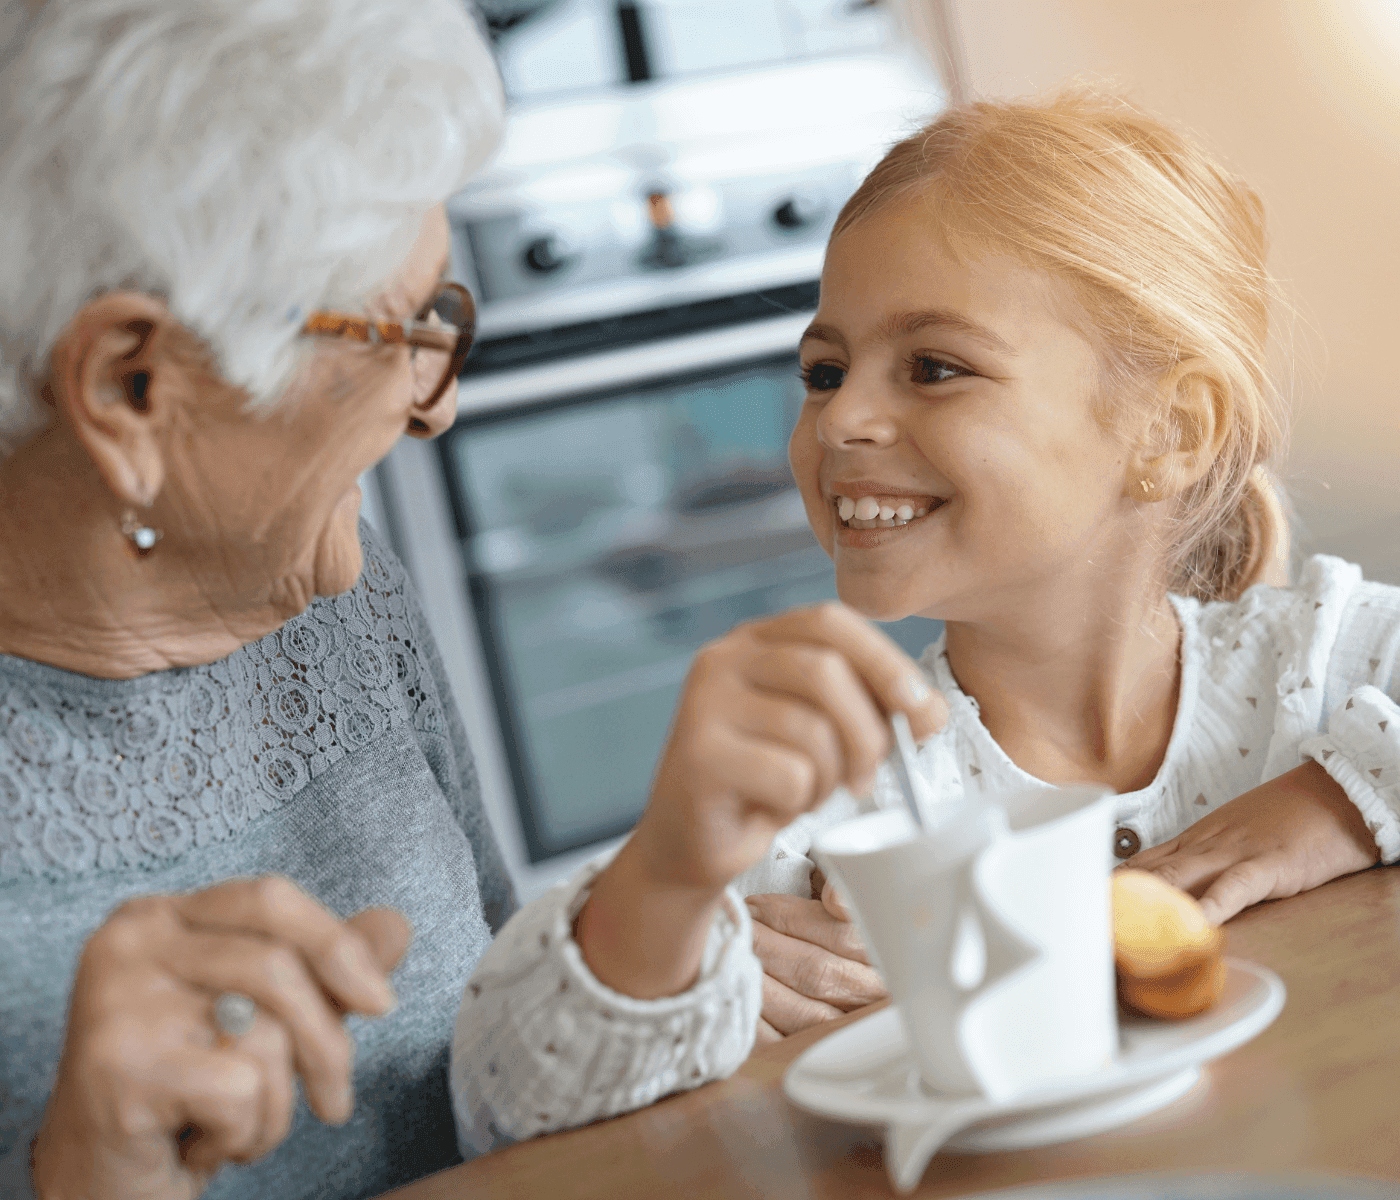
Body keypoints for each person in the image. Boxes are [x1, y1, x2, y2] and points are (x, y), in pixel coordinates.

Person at [3, 1, 944, 1196]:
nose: (434, 404)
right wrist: (88, 1173)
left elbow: (486, 1067)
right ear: (130, 386)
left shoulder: (326, 604)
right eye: (399, 332)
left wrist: (631, 967)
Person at [512, 89, 1398, 1054]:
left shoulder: (1332, 669)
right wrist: (677, 948)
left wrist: (1336, 802)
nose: (840, 418)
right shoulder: (825, 811)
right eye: (824, 372)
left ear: (1172, 432)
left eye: (933, 366)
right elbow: (507, 1095)